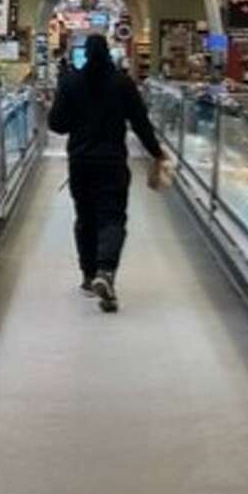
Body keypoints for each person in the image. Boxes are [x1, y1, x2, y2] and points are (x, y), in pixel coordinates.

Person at [47, 32, 165, 312]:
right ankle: (106, 270)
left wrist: (76, 118)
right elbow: (140, 122)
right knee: (112, 218)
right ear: (109, 54)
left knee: (85, 218)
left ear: (85, 54)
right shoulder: (122, 84)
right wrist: (157, 153)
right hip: (112, 162)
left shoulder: (71, 82)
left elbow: (56, 124)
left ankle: (88, 276)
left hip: (80, 162)